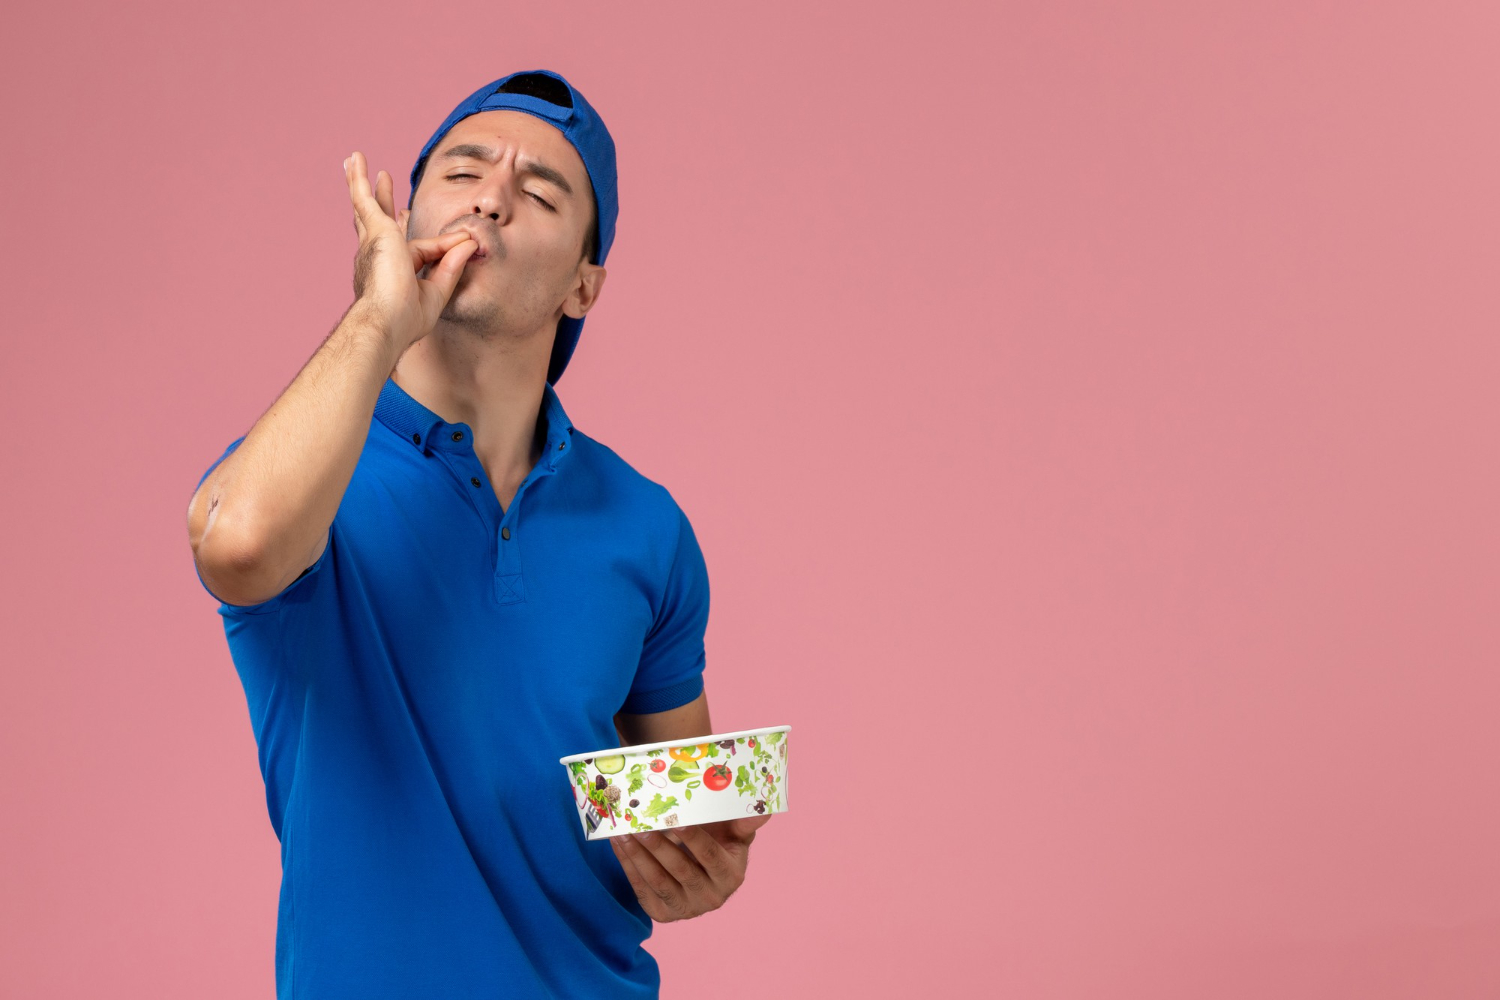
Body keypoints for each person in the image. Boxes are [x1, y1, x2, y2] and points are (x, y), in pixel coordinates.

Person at [184, 69, 770, 999]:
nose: (491, 198)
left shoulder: (646, 527)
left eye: (541, 192)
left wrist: (704, 868)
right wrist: (378, 318)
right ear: (405, 220)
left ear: (584, 286)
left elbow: (680, 825)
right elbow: (239, 548)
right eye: (462, 173)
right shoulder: (306, 473)